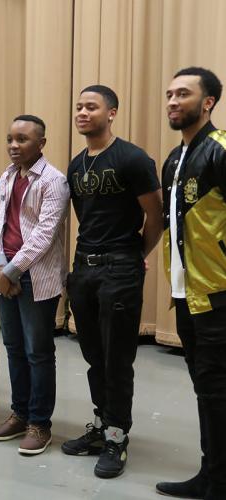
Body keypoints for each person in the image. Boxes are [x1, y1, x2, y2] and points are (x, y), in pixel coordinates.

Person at [62, 86, 163, 478]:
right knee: (93, 355)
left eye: (92, 107)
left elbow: (155, 216)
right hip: (84, 268)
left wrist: (136, 255)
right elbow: (85, 217)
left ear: (112, 113)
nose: (83, 112)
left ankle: (117, 437)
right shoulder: (76, 165)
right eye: (79, 107)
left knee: (117, 358)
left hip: (120, 269)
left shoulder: (132, 158)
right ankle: (102, 425)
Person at [155, 67, 226, 500]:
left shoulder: (220, 151)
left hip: (218, 294)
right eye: (169, 94)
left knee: (217, 388)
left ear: (208, 102)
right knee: (207, 388)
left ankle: (217, 481)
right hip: (186, 294)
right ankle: (212, 474)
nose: (172, 101)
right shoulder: (174, 159)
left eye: (183, 94)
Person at [0, 116, 70, 455]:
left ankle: (40, 423)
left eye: (22, 139)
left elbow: (43, 236)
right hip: (4, 275)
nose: (13, 145)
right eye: (10, 139)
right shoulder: (7, 176)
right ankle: (20, 413)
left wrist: (10, 271)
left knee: (38, 352)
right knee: (14, 347)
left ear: (41, 143)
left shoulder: (54, 181)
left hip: (35, 278)